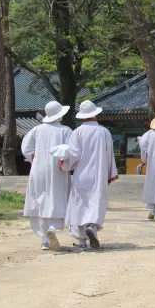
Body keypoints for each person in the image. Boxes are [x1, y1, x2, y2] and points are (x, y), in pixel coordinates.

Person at [59, 100, 118, 252]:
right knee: (96, 201)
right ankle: (92, 226)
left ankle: (82, 242)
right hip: (98, 174)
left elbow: (73, 154)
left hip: (81, 174)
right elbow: (109, 154)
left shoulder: (77, 132)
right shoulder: (104, 132)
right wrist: (110, 173)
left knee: (79, 204)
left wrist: (64, 165)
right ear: (95, 114)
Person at [21, 101, 72, 251]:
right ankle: (53, 227)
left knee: (40, 200)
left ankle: (44, 239)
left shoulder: (36, 130)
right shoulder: (65, 130)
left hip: (39, 169)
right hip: (58, 169)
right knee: (58, 198)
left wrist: (34, 156)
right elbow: (72, 150)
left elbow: (25, 148)